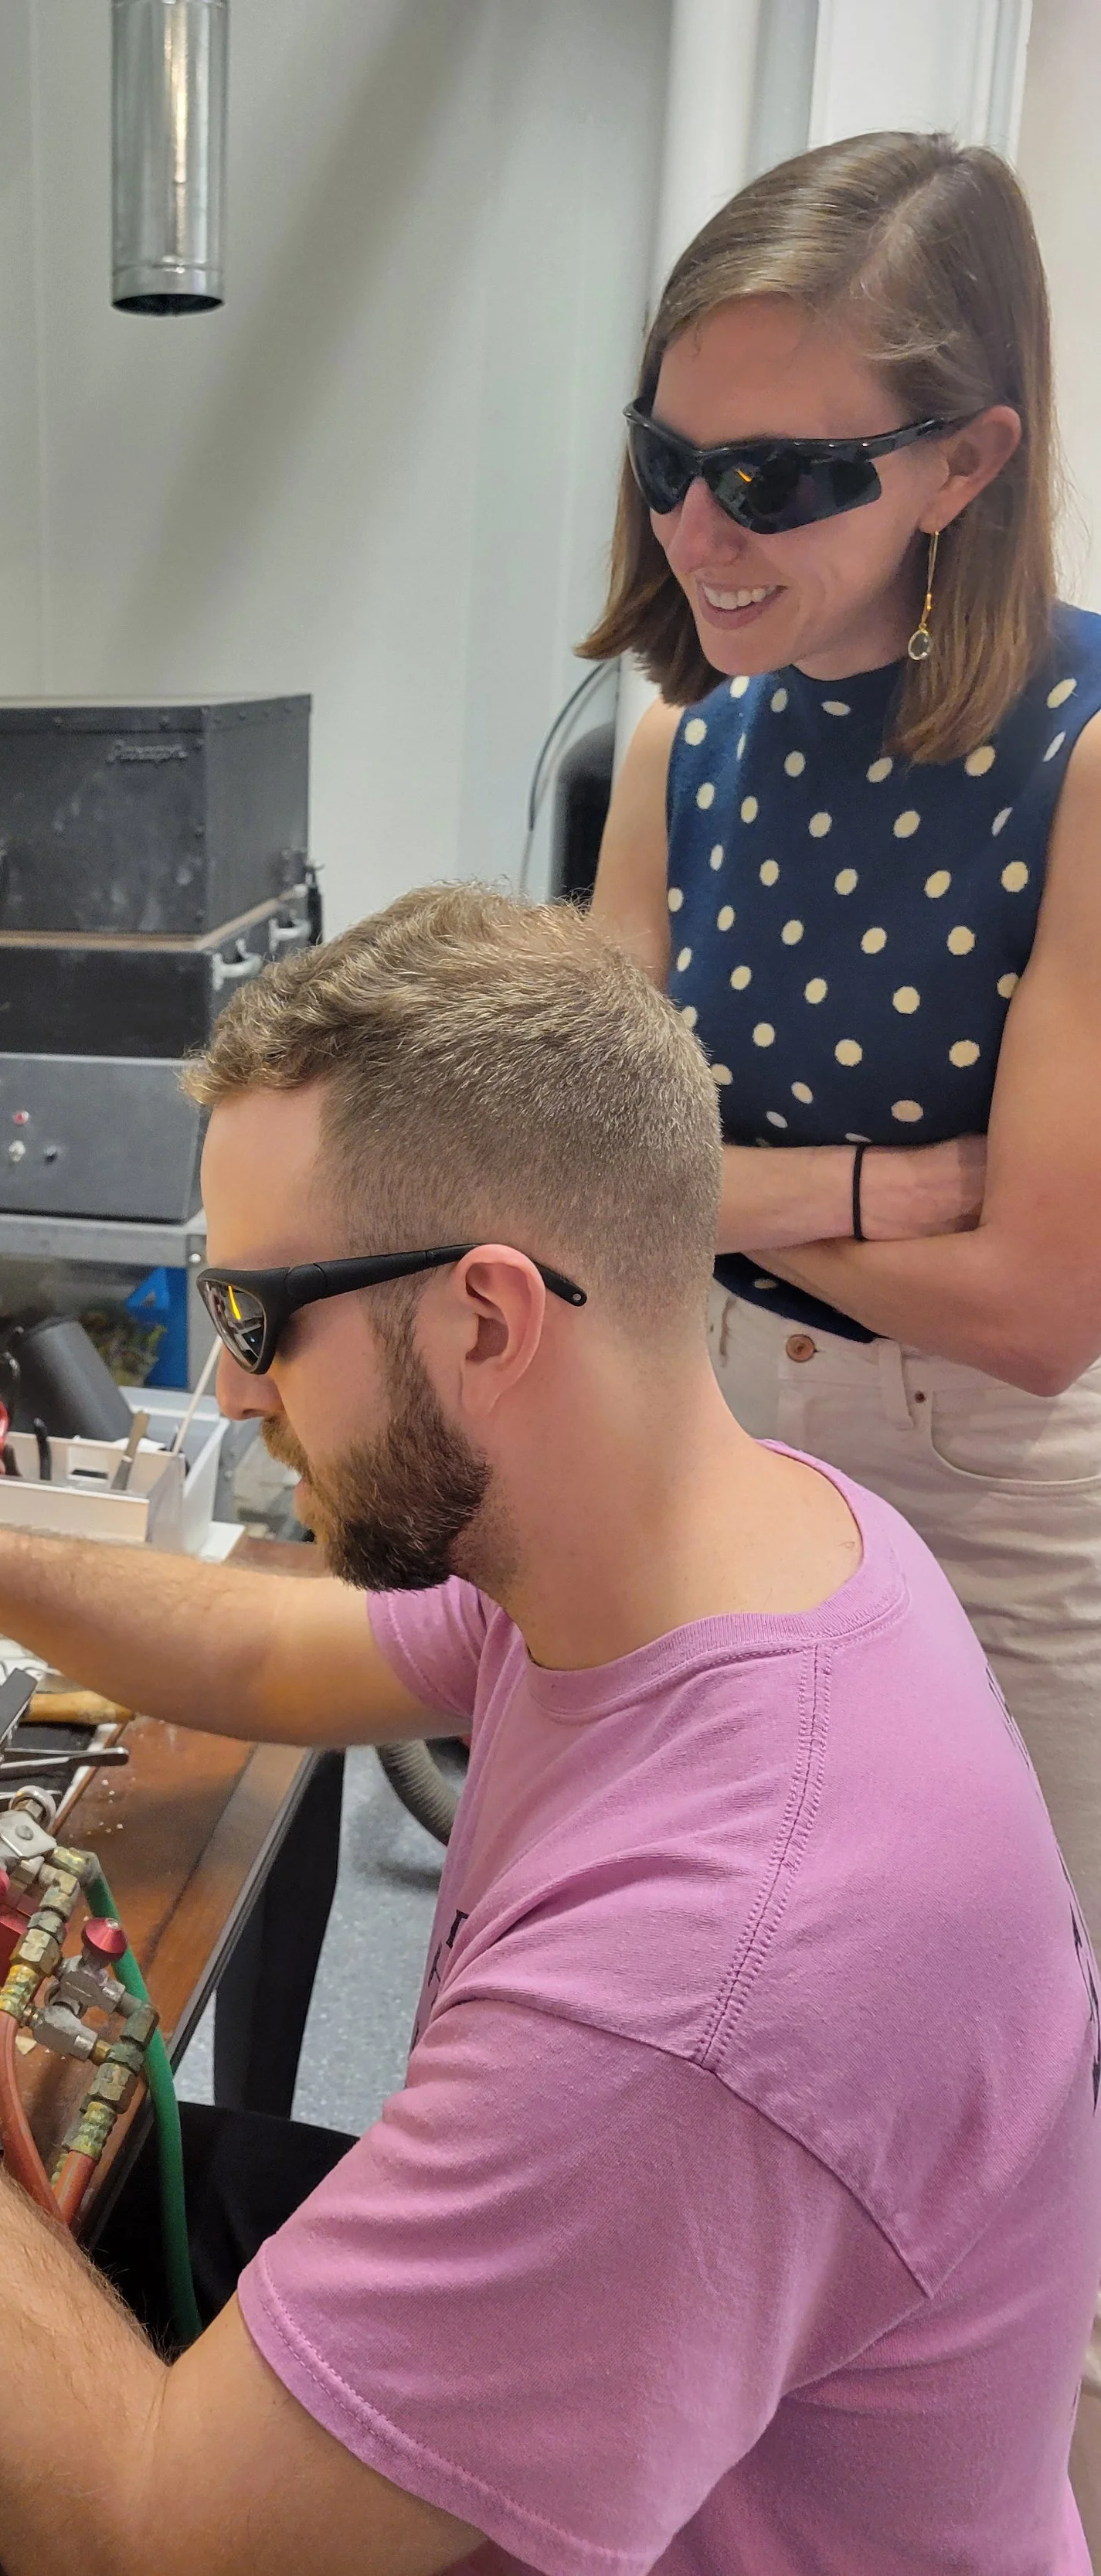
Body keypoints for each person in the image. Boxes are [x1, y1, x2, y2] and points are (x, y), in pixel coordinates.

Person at [0, 886, 1101, 2575]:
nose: (232, 1389)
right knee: (33, 2194)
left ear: (484, 1317)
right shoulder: (721, 1540)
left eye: (256, 1321)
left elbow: (147, 2539)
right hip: (674, 2417)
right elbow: (282, 1650)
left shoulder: (693, 1992)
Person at [586, 133, 1101, 1984]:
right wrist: (877, 1187)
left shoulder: (1084, 753)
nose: (697, 533)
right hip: (715, 1413)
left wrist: (699, 1202)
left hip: (991, 1473)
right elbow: (585, 1186)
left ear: (962, 461)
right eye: (666, 461)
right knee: (746, 1959)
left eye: (776, 479)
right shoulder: (678, 753)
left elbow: (1039, 1308)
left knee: (1004, 2012)